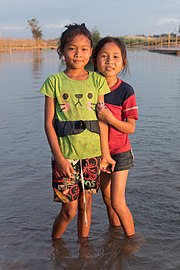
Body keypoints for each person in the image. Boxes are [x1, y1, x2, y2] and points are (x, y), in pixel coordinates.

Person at [40, 24, 115, 239]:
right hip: (66, 157)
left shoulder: (97, 81)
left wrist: (105, 154)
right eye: (72, 48)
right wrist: (59, 158)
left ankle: (84, 250)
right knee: (69, 210)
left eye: (84, 49)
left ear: (90, 51)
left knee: (86, 206)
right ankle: (55, 245)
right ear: (62, 51)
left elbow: (102, 122)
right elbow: (48, 124)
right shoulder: (54, 82)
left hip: (92, 156)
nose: (78, 54)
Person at [93, 37, 138, 237]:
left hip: (120, 152)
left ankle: (131, 240)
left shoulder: (125, 91)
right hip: (99, 152)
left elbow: (130, 128)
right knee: (107, 199)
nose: (109, 61)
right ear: (95, 60)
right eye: (104, 56)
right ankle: (115, 233)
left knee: (118, 201)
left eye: (115, 57)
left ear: (123, 63)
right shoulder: (91, 87)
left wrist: (109, 117)